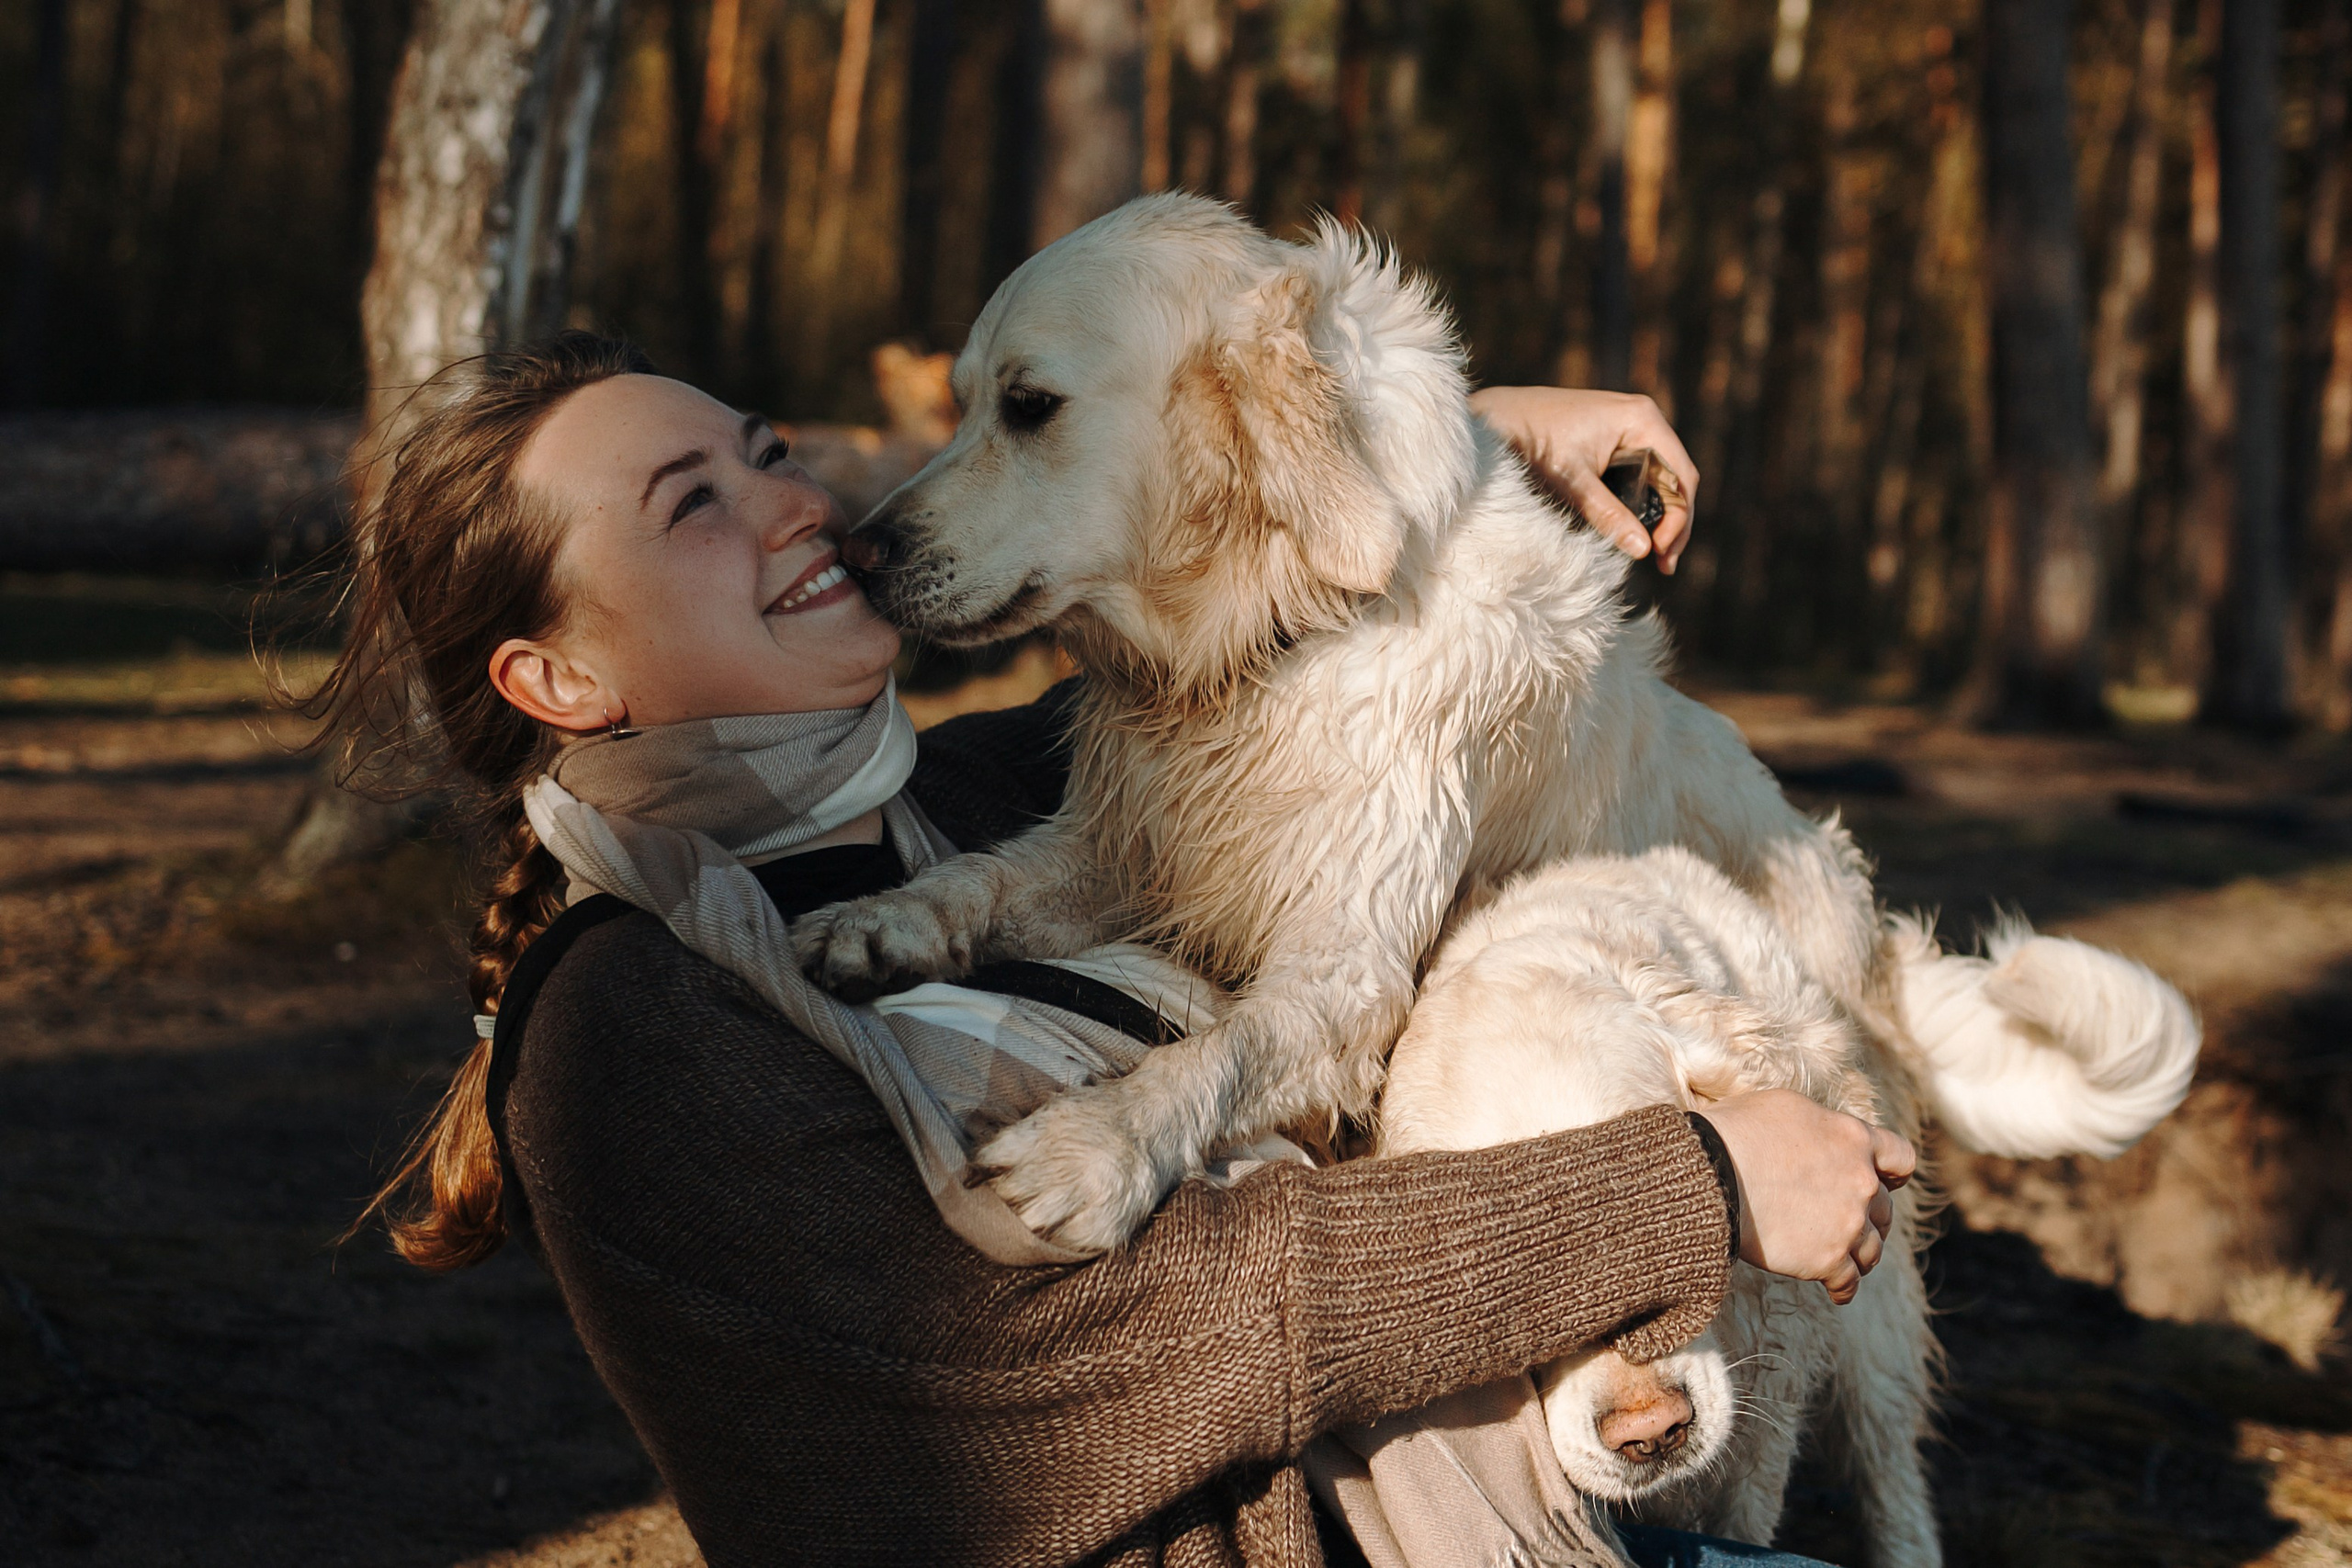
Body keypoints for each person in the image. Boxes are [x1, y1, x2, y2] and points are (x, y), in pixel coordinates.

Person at [322, 333, 1913, 1568]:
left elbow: (1246, 625)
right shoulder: (621, 1030)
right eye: (693, 504)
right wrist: (1690, 1188)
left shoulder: (995, 794)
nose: (795, 503)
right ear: (560, 681)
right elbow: (1099, 1350)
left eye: (767, 454)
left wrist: (1453, 440)